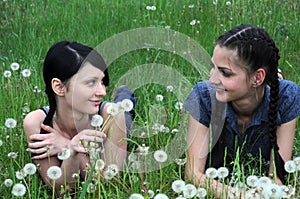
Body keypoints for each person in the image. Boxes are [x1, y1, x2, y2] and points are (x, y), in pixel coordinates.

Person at [184, 24, 300, 197]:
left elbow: (277, 177)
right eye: (213, 67)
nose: (212, 78)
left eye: (225, 73)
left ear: (257, 77)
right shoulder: (204, 96)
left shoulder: (286, 97)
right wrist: (237, 195)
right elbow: (192, 173)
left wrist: (260, 193)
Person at [23, 41, 135, 196]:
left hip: (114, 116)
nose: (102, 91)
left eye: (102, 82)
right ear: (59, 87)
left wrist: (67, 145)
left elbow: (109, 183)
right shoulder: (37, 123)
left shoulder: (113, 115)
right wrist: (72, 150)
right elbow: (60, 190)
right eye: (91, 82)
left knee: (125, 111)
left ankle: (126, 95)